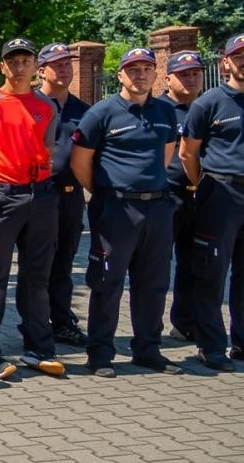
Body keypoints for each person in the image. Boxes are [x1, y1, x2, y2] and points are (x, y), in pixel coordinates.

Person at [69, 48, 180, 376]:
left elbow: (167, 155)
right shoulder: (101, 113)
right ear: (120, 75)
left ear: (155, 73)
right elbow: (80, 162)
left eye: (147, 68)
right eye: (133, 69)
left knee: (154, 282)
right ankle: (101, 354)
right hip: (116, 208)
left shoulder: (165, 112)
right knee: (107, 281)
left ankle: (148, 350)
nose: (140, 75)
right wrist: (108, 190)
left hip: (157, 206)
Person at [0, 37, 64, 381]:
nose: (19, 66)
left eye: (26, 60)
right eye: (13, 61)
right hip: (0, 197)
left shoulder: (47, 106)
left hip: (41, 195)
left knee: (37, 276)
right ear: (3, 66)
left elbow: (47, 146)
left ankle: (39, 347)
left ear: (36, 65)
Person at [178, 34, 244, 372]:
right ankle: (211, 346)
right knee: (212, 272)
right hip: (221, 192)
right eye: (239, 55)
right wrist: (204, 182)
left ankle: (241, 343)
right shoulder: (210, 102)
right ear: (226, 62)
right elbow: (187, 152)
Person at [32, 43, 92, 348]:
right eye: (58, 65)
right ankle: (36, 325)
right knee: (38, 265)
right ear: (41, 70)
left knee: (64, 263)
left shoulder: (83, 111)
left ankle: (62, 321)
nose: (65, 70)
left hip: (70, 196)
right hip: (38, 195)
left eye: (68, 64)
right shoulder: (29, 105)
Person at [161, 50, 206, 341]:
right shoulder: (157, 108)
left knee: (194, 263)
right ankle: (149, 328)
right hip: (167, 195)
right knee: (156, 263)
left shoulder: (207, 107)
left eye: (195, 73)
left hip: (202, 196)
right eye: (183, 74)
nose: (190, 79)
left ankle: (186, 323)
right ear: (167, 79)